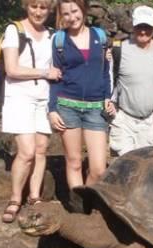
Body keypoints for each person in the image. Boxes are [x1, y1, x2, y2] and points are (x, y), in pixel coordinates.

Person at [1, 0, 62, 223]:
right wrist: (45, 72)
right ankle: (15, 198)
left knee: (41, 149)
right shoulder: (14, 30)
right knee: (26, 151)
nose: (38, 12)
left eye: (43, 7)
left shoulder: (53, 35)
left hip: (44, 97)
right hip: (19, 96)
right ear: (27, 6)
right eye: (34, 6)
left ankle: (34, 197)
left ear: (49, 10)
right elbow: (12, 69)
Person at [48, 0, 114, 197]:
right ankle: (79, 208)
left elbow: (105, 72)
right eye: (66, 13)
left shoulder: (100, 36)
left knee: (98, 169)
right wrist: (52, 109)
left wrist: (107, 97)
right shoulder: (58, 40)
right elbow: (55, 76)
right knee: (74, 162)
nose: (71, 17)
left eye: (75, 11)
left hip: (96, 108)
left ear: (83, 10)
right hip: (67, 106)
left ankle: (89, 199)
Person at [109, 5, 153, 156]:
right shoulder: (119, 49)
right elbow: (107, 78)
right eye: (139, 26)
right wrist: (109, 102)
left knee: (146, 167)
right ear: (133, 25)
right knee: (123, 168)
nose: (143, 31)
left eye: (147, 27)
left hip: (149, 122)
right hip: (124, 121)